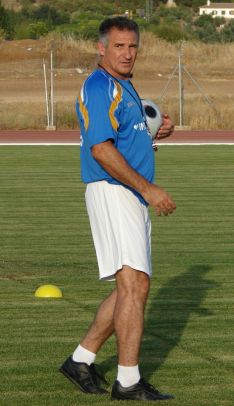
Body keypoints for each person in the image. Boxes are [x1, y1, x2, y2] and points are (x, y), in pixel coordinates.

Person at [59, 16, 176, 401]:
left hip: (129, 193)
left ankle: (80, 359)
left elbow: (122, 138)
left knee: (134, 285)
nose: (127, 53)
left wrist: (152, 131)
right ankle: (127, 381)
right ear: (102, 48)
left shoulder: (124, 87)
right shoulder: (99, 85)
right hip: (114, 190)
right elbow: (101, 148)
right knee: (134, 283)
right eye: (119, 46)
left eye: (132, 46)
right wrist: (149, 188)